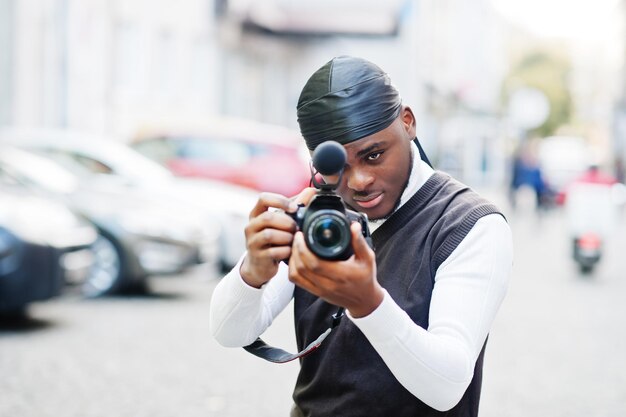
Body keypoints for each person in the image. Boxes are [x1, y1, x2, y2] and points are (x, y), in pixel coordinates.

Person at [210, 56, 513, 416]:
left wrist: (367, 304)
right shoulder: (316, 216)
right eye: (338, 168)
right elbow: (230, 333)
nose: (358, 182)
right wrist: (252, 274)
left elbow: (447, 385)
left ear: (408, 121)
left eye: (374, 155)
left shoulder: (468, 224)